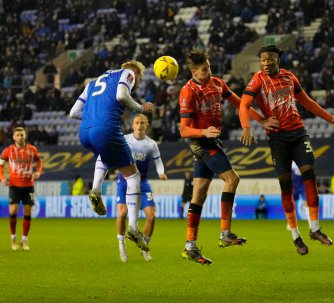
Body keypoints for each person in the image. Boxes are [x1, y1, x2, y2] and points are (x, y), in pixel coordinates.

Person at [239, 44, 334, 255]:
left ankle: (315, 229)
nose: (266, 63)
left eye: (270, 59)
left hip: (298, 132)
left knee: (309, 174)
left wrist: (332, 120)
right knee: (286, 186)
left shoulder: (290, 77)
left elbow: (307, 102)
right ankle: (296, 236)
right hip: (277, 138)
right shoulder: (257, 80)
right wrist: (255, 123)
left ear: (278, 59)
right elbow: (244, 105)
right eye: (263, 60)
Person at [179, 48, 279, 265]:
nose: (209, 71)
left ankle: (190, 246)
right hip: (201, 142)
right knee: (232, 179)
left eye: (209, 66)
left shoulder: (217, 83)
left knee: (199, 194)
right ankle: (225, 232)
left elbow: (240, 104)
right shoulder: (188, 91)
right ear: (194, 73)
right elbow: (184, 130)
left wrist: (260, 121)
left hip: (212, 140)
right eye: (204, 69)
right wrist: (204, 132)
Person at [69, 60, 154, 248]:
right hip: (106, 129)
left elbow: (73, 112)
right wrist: (141, 109)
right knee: (133, 176)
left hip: (85, 132)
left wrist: (94, 116)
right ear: (136, 72)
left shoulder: (92, 83)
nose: (138, 82)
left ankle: (96, 189)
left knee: (105, 154)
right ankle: (133, 226)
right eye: (140, 77)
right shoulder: (127, 74)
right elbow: (122, 95)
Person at [113, 114, 167, 262]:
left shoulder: (151, 144)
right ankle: (121, 244)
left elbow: (158, 162)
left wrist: (161, 173)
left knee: (151, 215)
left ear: (146, 126)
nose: (139, 125)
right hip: (125, 181)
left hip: (142, 183)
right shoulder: (125, 140)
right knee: (122, 213)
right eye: (136, 122)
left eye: (142, 123)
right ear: (132, 125)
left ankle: (144, 247)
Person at [0, 127, 43, 251]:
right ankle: (13, 238)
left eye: (21, 135)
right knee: (13, 211)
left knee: (28, 212)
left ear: (25, 136)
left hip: (29, 186)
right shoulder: (8, 151)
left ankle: (24, 239)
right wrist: (2, 178)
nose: (20, 137)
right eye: (17, 135)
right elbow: (0, 166)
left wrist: (38, 172)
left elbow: (39, 162)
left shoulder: (32, 149)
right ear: (13, 137)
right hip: (14, 185)